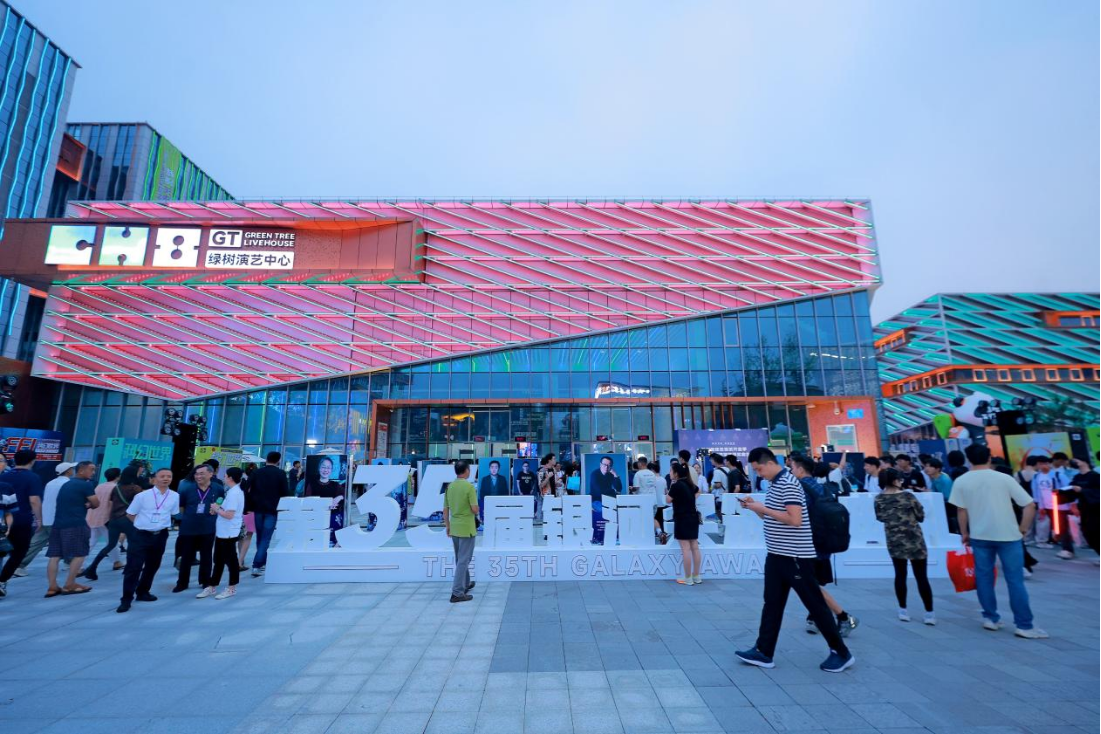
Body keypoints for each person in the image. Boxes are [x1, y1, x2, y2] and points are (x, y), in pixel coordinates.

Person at [737, 448, 854, 673]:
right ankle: (763, 651)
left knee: (815, 605)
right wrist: (755, 509)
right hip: (777, 554)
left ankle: (841, 652)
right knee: (772, 604)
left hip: (795, 556)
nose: (759, 474)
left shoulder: (788, 483)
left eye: (759, 469)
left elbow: (795, 519)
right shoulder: (775, 484)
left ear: (769, 463)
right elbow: (775, 516)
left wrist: (762, 508)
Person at [950, 444, 1047, 638]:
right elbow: (1029, 505)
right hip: (1008, 535)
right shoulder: (1004, 478)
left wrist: (964, 533)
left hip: (979, 535)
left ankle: (990, 618)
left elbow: (961, 510)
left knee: (984, 578)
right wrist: (1023, 529)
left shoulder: (961, 481)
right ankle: (1024, 626)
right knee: (1015, 581)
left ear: (968, 459)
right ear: (989, 458)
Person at [793, 458, 859, 638]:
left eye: (793, 468)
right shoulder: (824, 488)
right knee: (813, 584)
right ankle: (816, 617)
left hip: (809, 545)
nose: (791, 472)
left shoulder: (800, 489)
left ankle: (844, 617)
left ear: (800, 470)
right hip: (824, 544)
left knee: (810, 585)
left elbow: (797, 518)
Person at [874, 468, 935, 625]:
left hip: (894, 541)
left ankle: (903, 610)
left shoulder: (879, 499)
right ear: (895, 480)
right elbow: (920, 516)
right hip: (915, 540)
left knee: (900, 575)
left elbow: (880, 517)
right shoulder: (908, 496)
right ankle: (929, 613)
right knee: (921, 576)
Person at [118, 468, 178, 613]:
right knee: (134, 567)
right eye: (162, 476)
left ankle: (143, 591)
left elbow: (173, 513)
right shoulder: (142, 496)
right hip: (141, 535)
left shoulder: (175, 496)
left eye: (169, 476)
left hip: (161, 535)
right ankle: (126, 599)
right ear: (154, 479)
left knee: (153, 565)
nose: (166, 479)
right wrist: (142, 525)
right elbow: (130, 514)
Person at [45, 461, 99, 597]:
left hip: (58, 524)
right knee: (80, 553)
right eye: (91, 469)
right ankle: (70, 584)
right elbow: (96, 503)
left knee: (54, 556)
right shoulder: (85, 485)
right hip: (76, 524)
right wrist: (88, 505)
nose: (93, 473)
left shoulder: (66, 484)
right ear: (81, 470)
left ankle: (52, 587)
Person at [81, 466, 142, 581]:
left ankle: (93, 567)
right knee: (133, 544)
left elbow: (111, 502)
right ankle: (128, 568)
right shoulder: (135, 488)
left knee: (110, 545)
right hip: (127, 519)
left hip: (113, 520)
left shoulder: (116, 488)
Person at [15, 461, 76, 576]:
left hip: (46, 517)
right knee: (67, 541)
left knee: (36, 543)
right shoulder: (68, 483)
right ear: (68, 471)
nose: (73, 470)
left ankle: (18, 565)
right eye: (72, 468)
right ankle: (71, 564)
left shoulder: (50, 483)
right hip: (59, 518)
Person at [0, 449, 44, 596]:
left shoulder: (4, 475)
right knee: (19, 552)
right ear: (33, 461)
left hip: (3, 519)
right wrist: (39, 519)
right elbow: (34, 500)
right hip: (22, 520)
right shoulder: (33, 477)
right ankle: (2, 580)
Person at [174, 464, 223, 593]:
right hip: (189, 527)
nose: (198, 476)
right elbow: (181, 506)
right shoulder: (188, 489)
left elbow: (221, 500)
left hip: (208, 526)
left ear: (210, 474)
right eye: (196, 474)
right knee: (186, 556)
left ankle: (205, 581)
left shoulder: (217, 488)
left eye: (201, 473)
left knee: (206, 555)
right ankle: (182, 583)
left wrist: (216, 508)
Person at [249, 451, 290, 577]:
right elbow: (285, 492)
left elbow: (249, 489)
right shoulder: (280, 473)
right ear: (278, 460)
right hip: (272, 509)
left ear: (266, 459)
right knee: (266, 538)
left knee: (260, 537)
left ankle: (261, 562)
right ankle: (257, 565)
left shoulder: (257, 472)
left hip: (257, 509)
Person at [207, 467, 246, 599]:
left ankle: (231, 588)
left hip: (229, 532)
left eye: (225, 476)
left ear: (230, 478)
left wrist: (216, 509)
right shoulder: (231, 491)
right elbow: (224, 508)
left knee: (231, 561)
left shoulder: (235, 493)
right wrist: (217, 508)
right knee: (218, 560)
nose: (224, 478)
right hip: (222, 531)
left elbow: (229, 515)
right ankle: (212, 585)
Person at [443, 460, 478, 603]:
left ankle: (466, 583)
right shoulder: (469, 487)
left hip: (455, 527)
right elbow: (474, 509)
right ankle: (457, 592)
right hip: (467, 528)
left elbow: (445, 509)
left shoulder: (450, 487)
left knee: (460, 558)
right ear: (467, 470)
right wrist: (476, 510)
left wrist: (448, 526)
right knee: (464, 560)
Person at [667, 462, 701, 584]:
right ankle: (696, 576)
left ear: (676, 473)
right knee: (695, 547)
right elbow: (699, 491)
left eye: (671, 471)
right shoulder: (689, 483)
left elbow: (668, 500)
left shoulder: (676, 485)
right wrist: (690, 499)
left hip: (682, 518)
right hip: (693, 517)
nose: (669, 473)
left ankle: (688, 578)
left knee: (686, 549)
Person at [85, 468, 121, 573]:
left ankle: (79, 565)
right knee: (112, 542)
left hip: (93, 516)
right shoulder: (115, 488)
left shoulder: (100, 486)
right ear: (118, 476)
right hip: (106, 519)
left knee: (91, 542)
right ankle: (116, 562)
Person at [304, 456, 344, 546]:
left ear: (331, 470)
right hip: (316, 519)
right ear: (319, 468)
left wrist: (339, 497)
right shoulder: (312, 485)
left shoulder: (335, 485)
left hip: (333, 519)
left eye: (328, 468)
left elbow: (345, 496)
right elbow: (307, 501)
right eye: (323, 467)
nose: (326, 470)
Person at [1030, 455, 1067, 550]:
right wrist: (1038, 504)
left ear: (1049, 464)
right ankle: (1042, 541)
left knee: (1060, 524)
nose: (1043, 465)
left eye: (1045, 463)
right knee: (1043, 523)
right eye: (1040, 464)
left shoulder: (1058, 475)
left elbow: (1068, 488)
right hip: (1044, 505)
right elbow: (1035, 490)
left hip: (1058, 505)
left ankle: (1060, 541)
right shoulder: (1036, 476)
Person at [1067, 457, 1100, 558]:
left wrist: (1082, 490)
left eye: (1077, 460)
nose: (1075, 462)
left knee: (1095, 531)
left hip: (1096, 509)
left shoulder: (1095, 476)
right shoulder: (1077, 477)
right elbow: (1071, 491)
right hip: (1083, 509)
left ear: (1084, 461)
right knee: (1087, 533)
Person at [589, 455, 623, 544]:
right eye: (604, 464)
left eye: (608, 465)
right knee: (603, 512)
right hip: (596, 500)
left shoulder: (610, 475)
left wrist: (615, 475)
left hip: (608, 501)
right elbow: (599, 491)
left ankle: (614, 536)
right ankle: (598, 537)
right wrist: (612, 491)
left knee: (619, 512)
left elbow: (619, 488)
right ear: (600, 464)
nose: (606, 467)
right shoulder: (594, 474)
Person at [635, 460, 667, 542]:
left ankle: (650, 536)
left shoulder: (639, 474)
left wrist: (632, 489)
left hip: (645, 501)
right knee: (652, 518)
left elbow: (637, 488)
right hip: (656, 502)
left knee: (647, 519)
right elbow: (664, 491)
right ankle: (659, 533)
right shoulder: (659, 478)